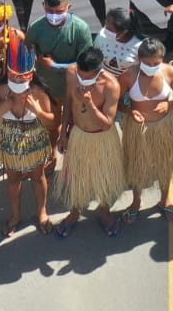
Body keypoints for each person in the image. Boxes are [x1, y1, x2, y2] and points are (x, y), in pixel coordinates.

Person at [0, 36, 55, 235]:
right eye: (13, 77)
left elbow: (51, 122)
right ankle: (15, 215)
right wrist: (0, 111)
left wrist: (38, 111)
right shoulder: (0, 89)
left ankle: (42, 211)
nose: (17, 81)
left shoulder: (38, 91)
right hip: (8, 139)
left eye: (21, 78)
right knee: (13, 179)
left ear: (31, 75)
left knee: (37, 176)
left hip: (35, 138)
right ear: (8, 72)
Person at [55, 46, 126, 237]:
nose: (82, 80)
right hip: (79, 136)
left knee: (104, 177)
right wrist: (63, 133)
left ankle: (104, 212)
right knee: (76, 177)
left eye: (87, 77)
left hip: (102, 138)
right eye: (80, 74)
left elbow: (108, 124)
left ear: (98, 70)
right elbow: (69, 102)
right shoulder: (72, 73)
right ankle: (74, 212)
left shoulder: (111, 85)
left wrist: (90, 104)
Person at [119, 36, 173, 223]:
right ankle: (136, 201)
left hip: (164, 126)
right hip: (137, 128)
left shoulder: (170, 72)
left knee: (165, 163)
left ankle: (165, 199)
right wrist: (130, 111)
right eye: (147, 63)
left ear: (163, 58)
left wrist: (170, 105)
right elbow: (117, 103)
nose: (152, 66)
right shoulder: (128, 75)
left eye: (156, 62)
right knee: (136, 165)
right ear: (139, 59)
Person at [24, 0, 95, 128]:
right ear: (43, 5)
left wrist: (55, 66)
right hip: (48, 88)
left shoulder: (81, 29)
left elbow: (86, 65)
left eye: (59, 11)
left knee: (75, 127)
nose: (54, 15)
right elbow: (27, 53)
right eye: (50, 11)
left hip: (75, 89)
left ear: (69, 7)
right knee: (53, 126)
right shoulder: (36, 28)